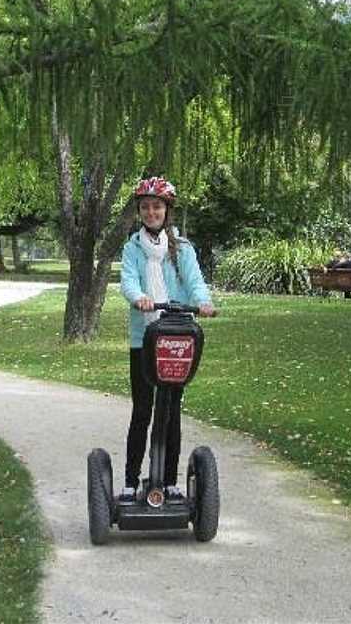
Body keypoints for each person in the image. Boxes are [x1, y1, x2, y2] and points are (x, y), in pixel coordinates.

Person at [119, 176, 215, 503]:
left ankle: (171, 481)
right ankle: (131, 481)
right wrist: (139, 297)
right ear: (139, 211)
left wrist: (203, 302)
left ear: (167, 210)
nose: (151, 212)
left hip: (176, 336)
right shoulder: (132, 248)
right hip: (143, 339)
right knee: (143, 409)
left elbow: (195, 281)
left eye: (156, 206)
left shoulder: (183, 249)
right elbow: (128, 281)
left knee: (172, 410)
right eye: (145, 207)